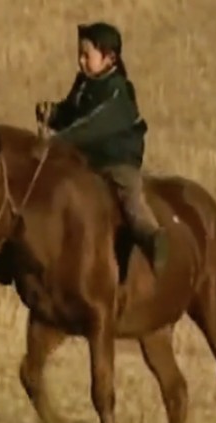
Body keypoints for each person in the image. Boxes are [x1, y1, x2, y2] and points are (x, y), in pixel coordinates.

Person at [36, 21, 169, 275]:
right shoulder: (84, 84)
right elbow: (72, 112)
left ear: (109, 58)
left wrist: (56, 142)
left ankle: (152, 237)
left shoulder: (118, 91)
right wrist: (52, 112)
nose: (81, 61)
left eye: (87, 55)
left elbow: (93, 125)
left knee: (129, 197)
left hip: (116, 160)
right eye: (79, 55)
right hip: (86, 159)